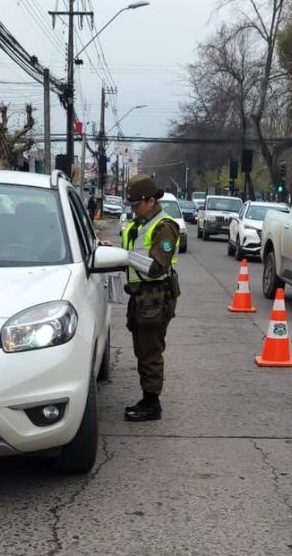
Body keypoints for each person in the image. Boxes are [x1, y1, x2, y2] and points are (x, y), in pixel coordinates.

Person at [121, 174, 181, 422]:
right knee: (142, 348)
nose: (133, 210)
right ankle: (147, 398)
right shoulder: (141, 224)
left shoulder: (164, 226)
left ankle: (152, 403)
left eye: (136, 205)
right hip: (141, 296)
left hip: (155, 296)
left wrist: (123, 258)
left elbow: (157, 265)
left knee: (150, 351)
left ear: (150, 201)